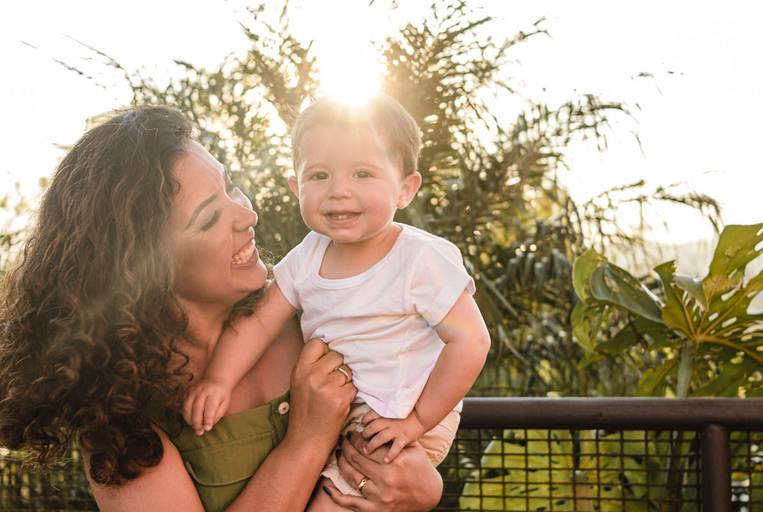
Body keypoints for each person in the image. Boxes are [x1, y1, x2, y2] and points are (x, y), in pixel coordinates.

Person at [0, 105, 442, 511]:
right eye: (210, 218)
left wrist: (423, 490)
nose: (246, 216)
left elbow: (412, 435)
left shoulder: (317, 307)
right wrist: (307, 441)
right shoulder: (119, 414)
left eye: (230, 186)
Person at [184, 95, 491, 510]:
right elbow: (258, 322)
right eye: (320, 175)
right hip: (344, 416)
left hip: (396, 415)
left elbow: (471, 341)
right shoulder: (307, 257)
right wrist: (219, 380)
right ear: (296, 186)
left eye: (363, 174)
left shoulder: (420, 259)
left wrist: (416, 422)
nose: (340, 191)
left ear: (405, 188)